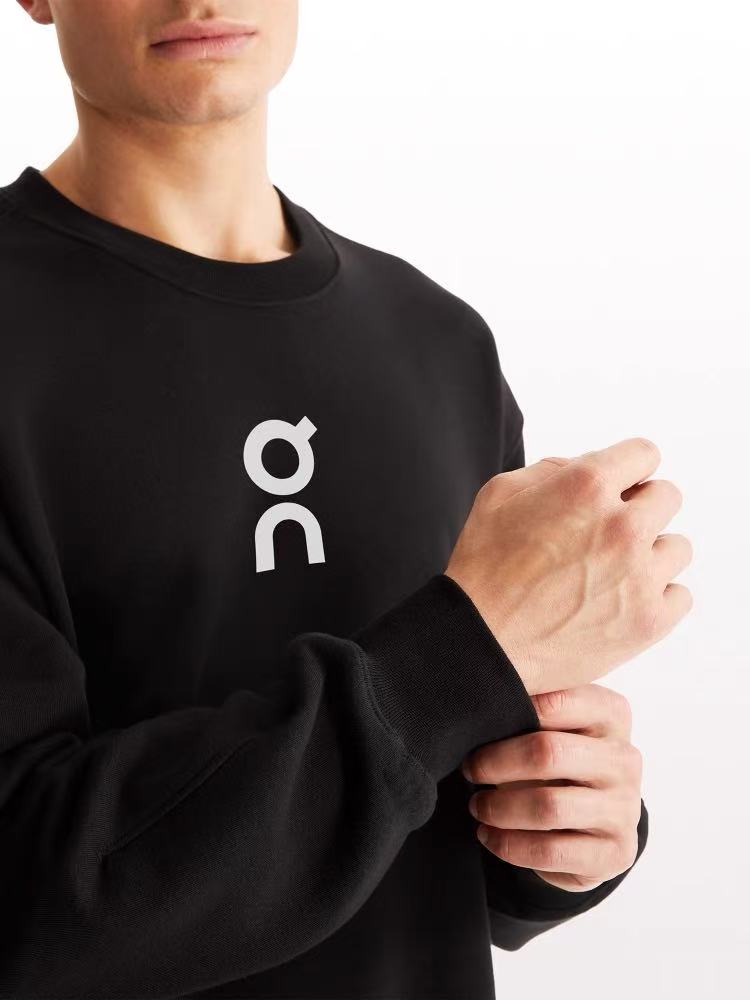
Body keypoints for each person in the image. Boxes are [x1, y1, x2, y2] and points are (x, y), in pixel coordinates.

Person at [0, 2, 692, 998]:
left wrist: (563, 830)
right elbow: (25, 901)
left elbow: (444, 829)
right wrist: (455, 657)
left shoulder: (438, 342)